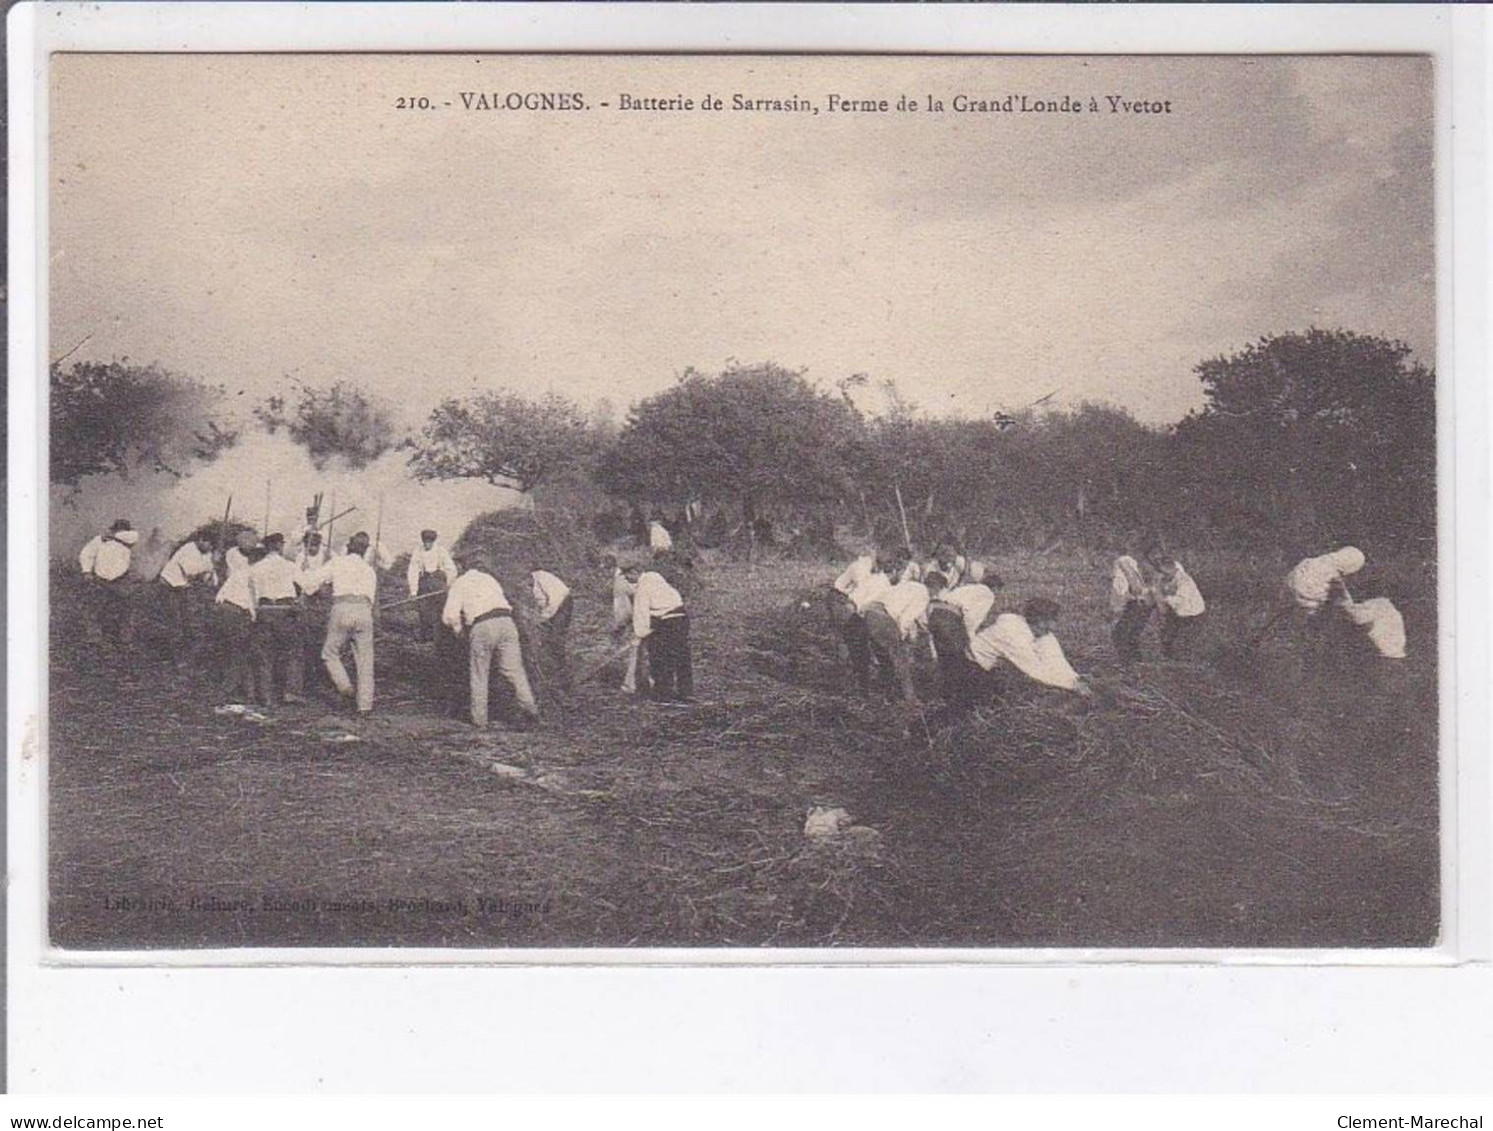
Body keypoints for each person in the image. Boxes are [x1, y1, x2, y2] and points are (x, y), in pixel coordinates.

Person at [442, 558, 540, 729]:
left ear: (461, 567)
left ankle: (480, 721)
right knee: (514, 671)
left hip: (482, 625)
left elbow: (449, 616)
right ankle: (531, 710)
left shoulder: (459, 583)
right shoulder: (490, 579)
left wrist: (459, 631)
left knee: (480, 674)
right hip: (507, 622)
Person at [301, 531, 378, 714]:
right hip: (364, 611)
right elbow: (372, 600)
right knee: (366, 660)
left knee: (329, 653)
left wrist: (307, 576)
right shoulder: (369, 570)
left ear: (348, 547)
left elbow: (311, 583)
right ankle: (365, 705)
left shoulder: (338, 562)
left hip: (342, 607)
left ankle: (345, 687)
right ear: (364, 551)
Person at [969, 598, 1091, 696]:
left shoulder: (1040, 631)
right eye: (1051, 621)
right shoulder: (1012, 633)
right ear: (1039, 620)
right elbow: (1035, 670)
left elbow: (1054, 658)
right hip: (968, 665)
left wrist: (1075, 678)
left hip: (987, 669)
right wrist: (1072, 685)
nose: (1054, 627)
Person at [861, 567, 930, 705]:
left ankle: (888, 696)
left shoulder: (906, 585)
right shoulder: (924, 595)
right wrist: (902, 638)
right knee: (901, 660)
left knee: (884, 659)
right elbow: (906, 620)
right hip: (884, 617)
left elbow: (920, 619)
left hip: (868, 613)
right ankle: (910, 699)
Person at [250, 533, 306, 704]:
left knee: (265, 654)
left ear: (266, 548)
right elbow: (306, 586)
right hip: (285, 610)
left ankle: (265, 696)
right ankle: (291, 692)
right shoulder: (290, 566)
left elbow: (252, 594)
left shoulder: (255, 568)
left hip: (264, 609)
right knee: (292, 652)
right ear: (279, 547)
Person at [627, 561, 693, 702]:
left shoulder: (643, 588)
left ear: (635, 572)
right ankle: (686, 691)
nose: (627, 579)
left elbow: (641, 614)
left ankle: (663, 693)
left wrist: (639, 634)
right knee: (682, 655)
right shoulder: (657, 578)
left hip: (668, 622)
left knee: (660, 656)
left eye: (628, 575)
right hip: (682, 618)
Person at [79, 519, 140, 647]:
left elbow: (132, 536)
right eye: (118, 530)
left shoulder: (129, 539)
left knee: (127, 608)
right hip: (100, 578)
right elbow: (86, 554)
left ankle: (125, 637)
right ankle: (94, 637)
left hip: (121, 578)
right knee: (96, 607)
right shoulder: (99, 540)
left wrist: (112, 535)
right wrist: (86, 571)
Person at [214, 543, 261, 704]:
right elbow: (252, 601)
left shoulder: (238, 572)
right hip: (238, 613)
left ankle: (246, 691)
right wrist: (253, 617)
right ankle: (230, 690)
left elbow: (220, 596)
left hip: (225, 610)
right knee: (241, 653)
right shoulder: (255, 574)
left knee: (233, 651)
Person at [157, 533, 216, 659]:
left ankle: (184, 646)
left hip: (182, 587)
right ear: (201, 540)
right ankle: (170, 650)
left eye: (212, 546)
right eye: (208, 544)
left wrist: (210, 572)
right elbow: (190, 570)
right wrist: (209, 566)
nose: (210, 548)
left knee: (186, 616)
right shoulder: (188, 549)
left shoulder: (207, 554)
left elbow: (206, 576)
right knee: (174, 616)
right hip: (169, 584)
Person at [1147, 549, 1206, 659]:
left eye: (1165, 573)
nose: (1164, 575)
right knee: (1167, 630)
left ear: (1172, 569)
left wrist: (1164, 599)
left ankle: (1185, 655)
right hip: (1177, 610)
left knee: (1183, 634)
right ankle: (1168, 653)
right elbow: (1158, 588)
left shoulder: (1184, 580)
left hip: (1191, 611)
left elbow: (1179, 599)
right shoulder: (1167, 575)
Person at [1330, 578, 1407, 660]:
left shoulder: (1379, 605)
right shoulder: (1388, 606)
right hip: (1392, 655)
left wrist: (1341, 589)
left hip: (1387, 657)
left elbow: (1353, 614)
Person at [406, 529, 458, 643]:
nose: (427, 544)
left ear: (434, 541)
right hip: (425, 583)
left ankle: (444, 638)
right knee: (424, 612)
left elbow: (451, 569)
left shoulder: (441, 551)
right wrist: (414, 591)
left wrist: (449, 585)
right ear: (422, 541)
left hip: (439, 583)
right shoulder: (418, 551)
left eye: (430, 541)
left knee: (441, 611)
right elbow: (413, 571)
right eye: (425, 541)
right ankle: (426, 639)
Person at [605, 554, 647, 695]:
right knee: (646, 649)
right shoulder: (642, 578)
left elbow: (623, 612)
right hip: (655, 614)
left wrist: (617, 629)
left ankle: (630, 685)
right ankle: (646, 681)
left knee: (637, 649)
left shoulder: (620, 583)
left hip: (643, 617)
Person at [530, 564, 573, 696]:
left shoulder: (542, 578)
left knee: (556, 641)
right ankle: (552, 672)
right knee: (547, 641)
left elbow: (556, 600)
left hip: (563, 604)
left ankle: (563, 679)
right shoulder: (534, 583)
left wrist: (544, 617)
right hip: (554, 608)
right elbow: (541, 601)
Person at [1287, 546, 1367, 614]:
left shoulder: (1314, 561)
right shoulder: (1334, 576)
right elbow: (1346, 604)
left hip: (1289, 594)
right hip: (1307, 607)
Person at [1109, 551, 1153, 662]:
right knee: (1129, 635)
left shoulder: (1123, 561)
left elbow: (1135, 587)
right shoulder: (1129, 562)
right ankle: (1135, 662)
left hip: (1136, 602)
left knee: (1121, 634)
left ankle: (1130, 663)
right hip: (1141, 602)